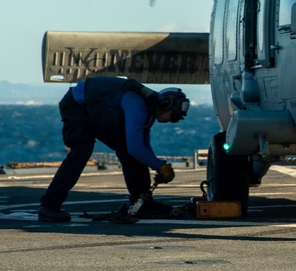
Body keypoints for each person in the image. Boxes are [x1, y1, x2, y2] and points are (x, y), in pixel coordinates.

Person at [37, 76, 190, 223]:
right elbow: (136, 147)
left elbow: (141, 145)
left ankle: (143, 203)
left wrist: (158, 165)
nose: (172, 121)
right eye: (174, 116)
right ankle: (49, 207)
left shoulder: (148, 111)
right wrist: (159, 165)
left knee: (127, 151)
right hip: (78, 105)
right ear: (165, 103)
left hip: (99, 112)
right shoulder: (137, 104)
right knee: (81, 151)